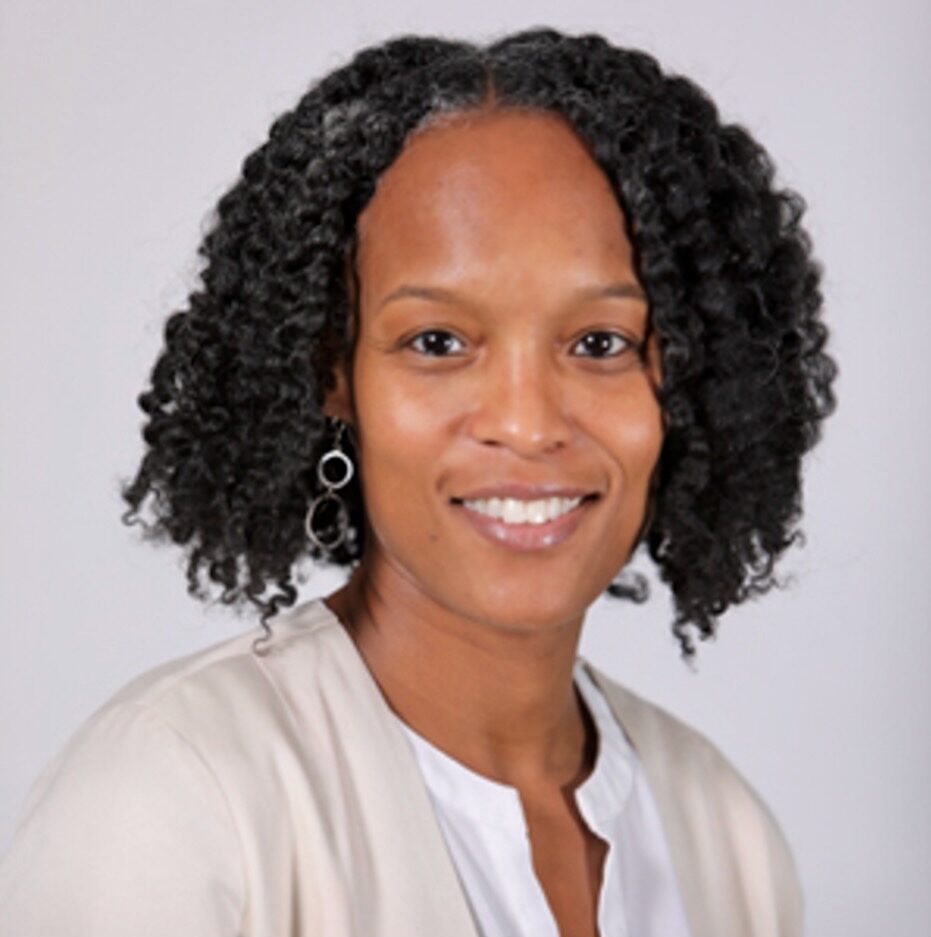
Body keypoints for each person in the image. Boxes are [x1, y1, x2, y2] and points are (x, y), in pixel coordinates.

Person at [0, 27, 836, 937]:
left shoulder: (726, 839)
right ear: (335, 377)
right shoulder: (177, 799)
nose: (525, 421)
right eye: (437, 342)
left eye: (599, 343)